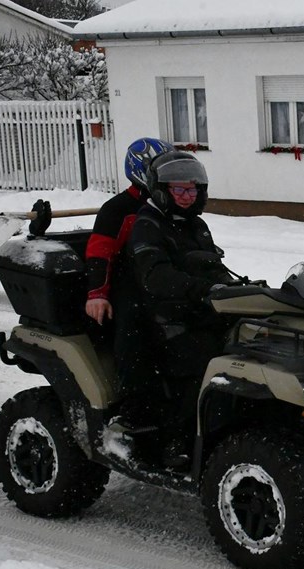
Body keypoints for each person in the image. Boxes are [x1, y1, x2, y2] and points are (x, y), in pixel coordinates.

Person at [114, 150, 234, 467]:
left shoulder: (196, 226)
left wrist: (238, 288)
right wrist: (200, 289)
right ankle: (176, 442)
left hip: (197, 312)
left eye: (191, 189)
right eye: (178, 189)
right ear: (162, 190)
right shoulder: (148, 225)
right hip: (161, 317)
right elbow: (155, 277)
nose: (185, 196)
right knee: (203, 363)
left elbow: (212, 267)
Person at [84, 137, 173, 325]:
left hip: (164, 279)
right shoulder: (118, 209)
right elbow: (100, 252)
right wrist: (97, 293)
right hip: (129, 282)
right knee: (134, 322)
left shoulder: (169, 205)